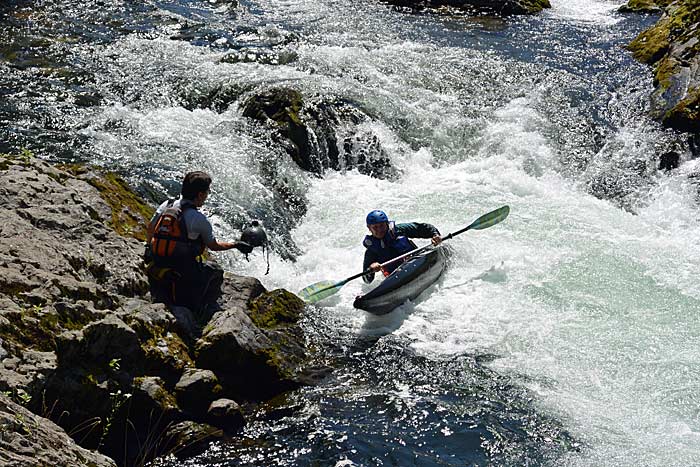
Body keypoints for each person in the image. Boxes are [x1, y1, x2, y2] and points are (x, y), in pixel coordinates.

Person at [145, 171, 252, 313]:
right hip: (181, 268)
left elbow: (151, 229)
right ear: (200, 195)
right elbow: (213, 246)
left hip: (157, 260)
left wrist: (150, 248)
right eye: (207, 192)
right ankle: (203, 309)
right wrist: (235, 244)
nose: (207, 196)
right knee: (215, 271)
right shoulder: (198, 219)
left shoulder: (167, 204)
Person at [362, 210, 442, 284]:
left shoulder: (400, 230)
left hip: (418, 263)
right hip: (397, 278)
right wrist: (371, 270)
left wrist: (435, 235)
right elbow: (366, 280)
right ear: (369, 228)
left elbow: (423, 228)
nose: (379, 230)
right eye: (375, 227)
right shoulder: (371, 251)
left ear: (387, 224)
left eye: (382, 225)